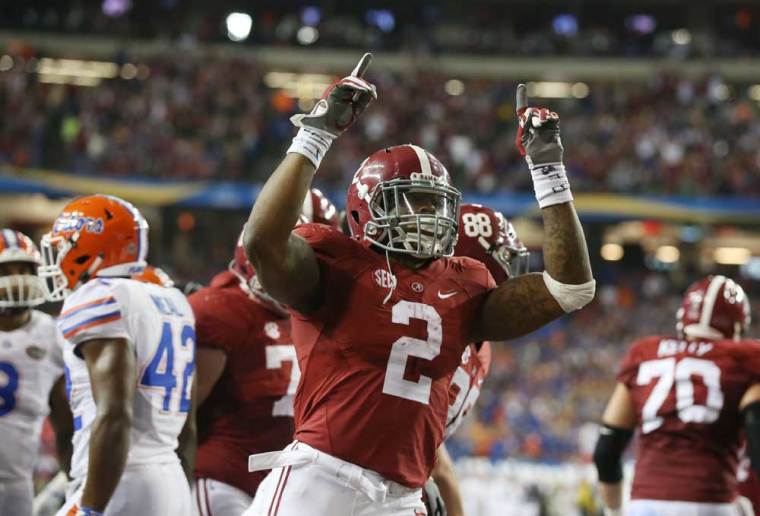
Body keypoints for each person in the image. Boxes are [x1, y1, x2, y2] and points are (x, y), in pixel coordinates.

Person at [242, 53, 594, 515]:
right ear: (366, 205)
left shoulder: (465, 283)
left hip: (402, 497)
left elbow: (571, 288)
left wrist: (548, 170)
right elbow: (262, 243)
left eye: (435, 204)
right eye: (414, 201)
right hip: (322, 479)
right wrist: (315, 134)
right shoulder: (336, 263)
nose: (429, 215)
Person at [38, 194, 197, 516]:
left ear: (90, 249)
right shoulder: (175, 301)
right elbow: (189, 429)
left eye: (65, 247)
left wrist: (92, 508)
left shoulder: (98, 297)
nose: (57, 259)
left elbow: (114, 414)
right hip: (171, 480)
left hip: (115, 482)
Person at [190, 189, 339, 516]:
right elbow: (179, 416)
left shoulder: (322, 316)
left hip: (284, 485)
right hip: (223, 479)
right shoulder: (220, 309)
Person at [594, 275, 760, 516]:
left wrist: (615, 511)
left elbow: (606, 452)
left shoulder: (644, 353)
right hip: (711, 502)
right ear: (737, 326)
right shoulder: (746, 358)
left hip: (646, 504)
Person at [425, 203, 529, 516]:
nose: (511, 277)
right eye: (504, 262)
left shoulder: (480, 348)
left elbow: (429, 444)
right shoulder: (439, 330)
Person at [0, 229, 72, 515]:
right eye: (7, 270)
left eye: (25, 269)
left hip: (18, 483)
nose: (18, 278)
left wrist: (74, 480)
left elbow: (65, 424)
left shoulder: (52, 335)